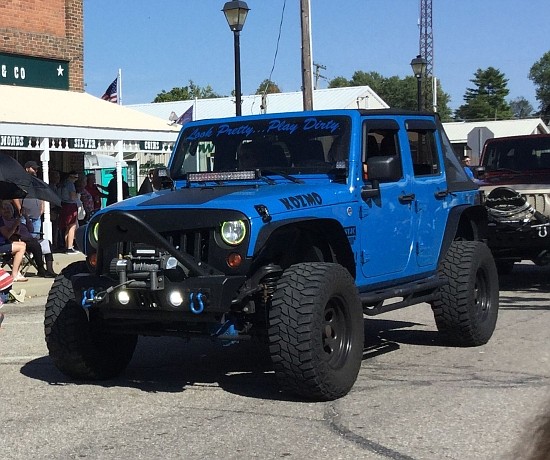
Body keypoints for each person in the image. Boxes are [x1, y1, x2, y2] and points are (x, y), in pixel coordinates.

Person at [1, 201, 56, 278]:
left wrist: (26, 217)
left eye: (9, 209)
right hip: (19, 240)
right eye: (5, 209)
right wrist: (15, 226)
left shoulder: (17, 219)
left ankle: (50, 269)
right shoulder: (3, 222)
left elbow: (31, 229)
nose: (7, 211)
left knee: (47, 242)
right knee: (35, 244)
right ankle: (41, 268)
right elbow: (9, 235)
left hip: (29, 239)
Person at [0, 201, 28, 282]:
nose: (4, 210)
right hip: (1, 245)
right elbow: (7, 235)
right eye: (2, 208)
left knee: (22, 244)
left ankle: (17, 271)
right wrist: (15, 225)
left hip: (3, 243)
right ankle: (14, 274)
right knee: (21, 248)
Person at [21, 160, 45, 237]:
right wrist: (19, 209)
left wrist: (42, 207)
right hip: (25, 215)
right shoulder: (21, 181)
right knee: (24, 237)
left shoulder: (37, 182)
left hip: (36, 215)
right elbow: (15, 197)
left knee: (35, 238)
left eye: (36, 169)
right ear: (27, 169)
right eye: (33, 168)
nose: (35, 170)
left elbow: (41, 194)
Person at [58, 171, 80, 253]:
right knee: (72, 226)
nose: (76, 180)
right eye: (75, 177)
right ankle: (70, 247)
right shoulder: (70, 184)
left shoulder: (62, 184)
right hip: (70, 205)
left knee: (67, 227)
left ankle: (67, 245)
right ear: (70, 177)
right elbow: (73, 196)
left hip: (64, 205)